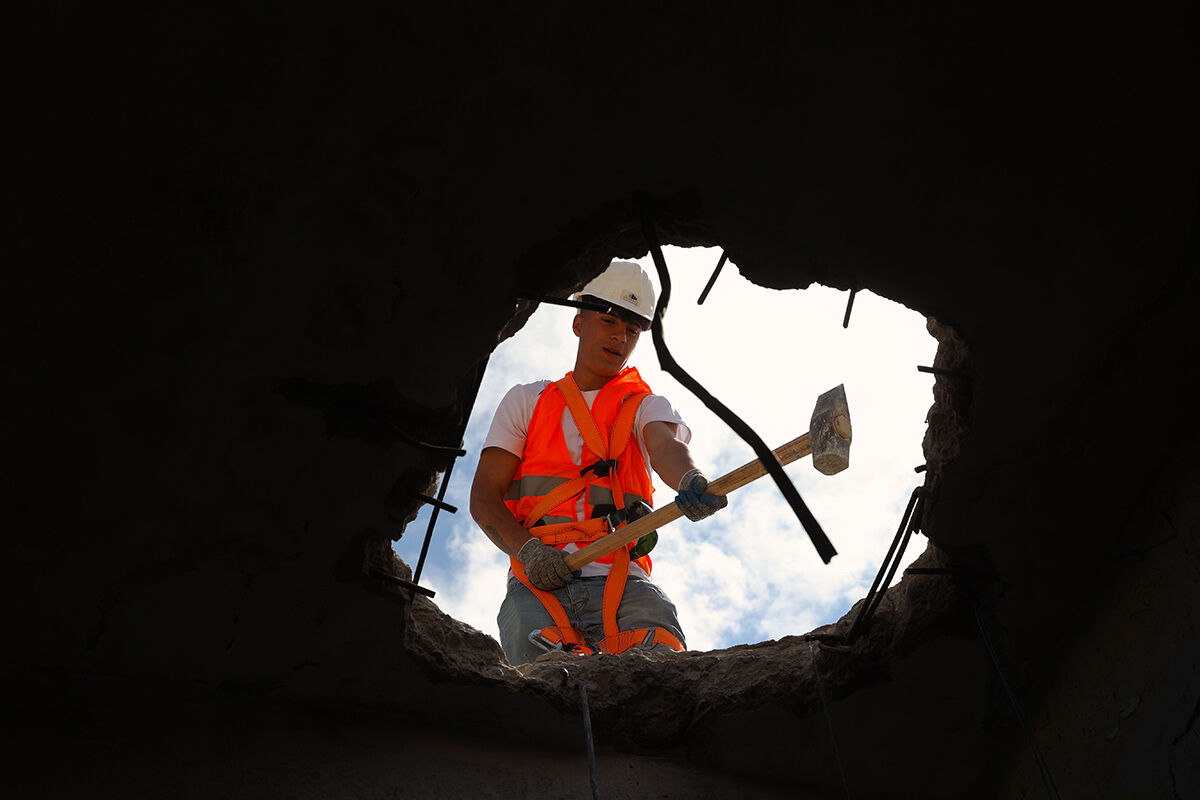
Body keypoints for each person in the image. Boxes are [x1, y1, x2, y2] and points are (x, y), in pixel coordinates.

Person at [470, 259, 728, 665]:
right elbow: (484, 498)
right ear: (578, 323)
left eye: (631, 329)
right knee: (542, 693)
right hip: (536, 582)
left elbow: (665, 449)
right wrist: (530, 553)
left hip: (624, 579)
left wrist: (690, 478)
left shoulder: (643, 403)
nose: (620, 338)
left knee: (663, 674)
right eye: (609, 320)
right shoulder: (526, 401)